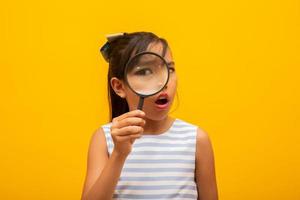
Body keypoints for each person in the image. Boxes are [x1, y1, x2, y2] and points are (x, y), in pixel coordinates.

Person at [81, 32, 218, 200]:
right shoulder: (104, 139)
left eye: (169, 69)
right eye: (145, 71)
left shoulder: (196, 139)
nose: (163, 82)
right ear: (119, 87)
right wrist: (119, 154)